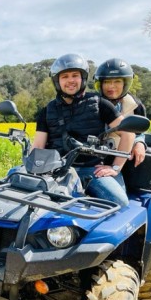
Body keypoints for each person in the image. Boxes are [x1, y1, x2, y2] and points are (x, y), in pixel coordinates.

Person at [32, 53, 135, 207]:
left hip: (89, 170)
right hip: (55, 170)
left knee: (119, 202)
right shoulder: (47, 110)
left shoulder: (99, 103)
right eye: (65, 76)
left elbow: (128, 133)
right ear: (57, 81)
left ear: (83, 78)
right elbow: (38, 146)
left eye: (75, 75)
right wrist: (31, 169)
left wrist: (115, 167)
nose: (70, 80)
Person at [94, 58, 147, 167]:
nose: (111, 86)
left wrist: (140, 143)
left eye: (117, 81)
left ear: (125, 84)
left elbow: (140, 131)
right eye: (107, 82)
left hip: (125, 158)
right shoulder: (92, 103)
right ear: (100, 84)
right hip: (95, 159)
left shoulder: (136, 105)